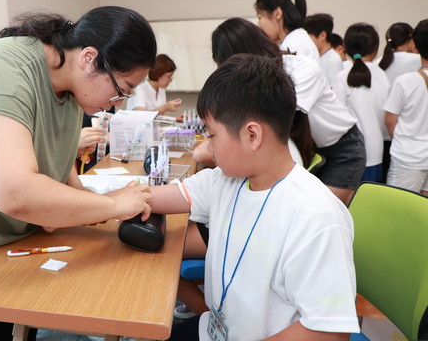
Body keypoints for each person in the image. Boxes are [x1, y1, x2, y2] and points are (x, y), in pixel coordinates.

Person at [0, 6, 157, 341]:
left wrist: (92, 204)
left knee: (26, 319)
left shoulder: (68, 84)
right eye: (122, 89)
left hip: (6, 226)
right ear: (90, 58)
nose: (117, 103)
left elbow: (56, 165)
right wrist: (112, 206)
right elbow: (15, 192)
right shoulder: (3, 72)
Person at [151, 54, 359, 341]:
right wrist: (110, 202)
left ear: (252, 135)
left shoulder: (317, 217)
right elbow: (156, 197)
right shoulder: (226, 181)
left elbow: (328, 333)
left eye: (212, 135)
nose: (209, 148)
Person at [211, 18, 365, 205]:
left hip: (342, 149)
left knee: (322, 209)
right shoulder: (256, 82)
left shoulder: (301, 69)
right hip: (312, 149)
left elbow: (271, 114)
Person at [332, 23, 390, 183]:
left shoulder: (342, 77)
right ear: (375, 47)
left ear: (345, 47)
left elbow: (336, 118)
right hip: (376, 151)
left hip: (351, 155)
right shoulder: (382, 75)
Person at [383, 19, 428, 195]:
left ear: (415, 45)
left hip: (407, 159)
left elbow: (390, 121)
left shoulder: (405, 81)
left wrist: (403, 141)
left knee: (398, 211)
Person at [255, 0, 320, 61]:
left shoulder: (293, 44)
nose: (258, 25)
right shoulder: (295, 38)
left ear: (277, 14)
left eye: (260, 17)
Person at [304, 13, 344, 86]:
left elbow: (335, 90)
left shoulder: (333, 60)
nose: (306, 41)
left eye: (308, 37)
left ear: (322, 35)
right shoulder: (319, 56)